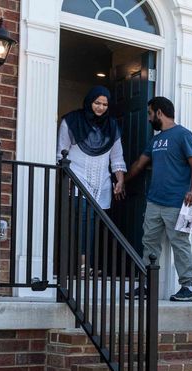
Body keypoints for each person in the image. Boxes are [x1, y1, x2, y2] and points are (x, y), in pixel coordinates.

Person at [122, 96, 192, 301]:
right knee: (149, 243)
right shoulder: (155, 140)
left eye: (150, 113)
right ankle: (146, 286)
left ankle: (188, 288)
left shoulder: (183, 135)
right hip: (153, 202)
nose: (149, 119)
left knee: (180, 243)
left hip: (178, 202)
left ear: (159, 112)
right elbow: (140, 164)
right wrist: (122, 181)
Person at [57, 86, 125, 275]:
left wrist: (120, 180)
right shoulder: (71, 121)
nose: (101, 107)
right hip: (77, 179)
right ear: (89, 102)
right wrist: (65, 179)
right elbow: (61, 154)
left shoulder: (112, 126)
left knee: (95, 225)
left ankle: (89, 265)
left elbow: (117, 158)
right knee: (83, 221)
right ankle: (82, 266)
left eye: (105, 104)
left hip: (102, 183)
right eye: (97, 103)